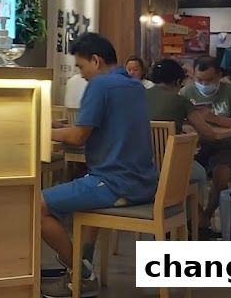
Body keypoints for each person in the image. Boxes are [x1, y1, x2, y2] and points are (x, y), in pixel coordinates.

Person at [42, 33, 156, 298]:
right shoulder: (134, 85)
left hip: (114, 184)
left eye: (81, 67)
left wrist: (39, 128)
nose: (81, 75)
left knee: (36, 205)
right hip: (143, 182)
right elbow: (103, 128)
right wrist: (62, 129)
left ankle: (80, 274)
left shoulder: (100, 85)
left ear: (96, 60)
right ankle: (83, 262)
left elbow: (78, 137)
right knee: (85, 196)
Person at [181, 56, 231, 239]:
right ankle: (196, 216)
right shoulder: (186, 92)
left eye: (209, 80)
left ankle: (206, 215)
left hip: (229, 146)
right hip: (197, 147)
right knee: (177, 175)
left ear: (219, 76)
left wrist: (212, 118)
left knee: (222, 175)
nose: (203, 84)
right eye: (199, 80)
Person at [146, 59, 208, 192]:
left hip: (139, 166)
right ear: (178, 81)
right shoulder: (181, 101)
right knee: (200, 173)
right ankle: (196, 212)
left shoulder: (137, 95)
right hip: (170, 167)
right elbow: (207, 132)